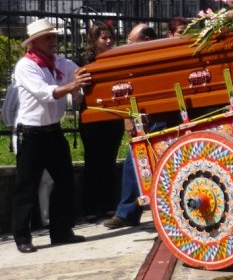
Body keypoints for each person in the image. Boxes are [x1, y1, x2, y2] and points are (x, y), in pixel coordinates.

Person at [11, 18, 91, 253]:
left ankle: (61, 231)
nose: (53, 41)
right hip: (32, 133)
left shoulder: (58, 63)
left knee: (65, 181)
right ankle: (22, 237)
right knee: (26, 186)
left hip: (52, 131)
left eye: (54, 36)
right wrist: (72, 86)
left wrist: (81, 85)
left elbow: (79, 73)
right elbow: (46, 93)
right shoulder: (26, 66)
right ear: (34, 42)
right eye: (48, 37)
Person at [103, 24, 160, 229]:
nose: (126, 43)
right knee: (133, 162)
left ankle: (131, 211)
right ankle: (127, 212)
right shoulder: (134, 58)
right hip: (145, 118)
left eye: (130, 39)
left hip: (163, 117)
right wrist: (128, 115)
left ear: (145, 40)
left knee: (141, 162)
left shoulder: (161, 55)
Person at [78, 23, 123, 220]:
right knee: (93, 161)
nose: (108, 41)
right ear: (94, 40)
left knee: (109, 161)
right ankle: (90, 207)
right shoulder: (83, 61)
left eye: (110, 37)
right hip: (92, 115)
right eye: (104, 38)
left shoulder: (117, 58)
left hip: (112, 115)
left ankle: (107, 204)